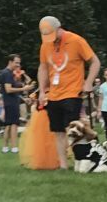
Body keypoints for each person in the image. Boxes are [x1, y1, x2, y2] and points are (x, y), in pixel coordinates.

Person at [36, 17, 100, 162]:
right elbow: (43, 67)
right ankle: (63, 165)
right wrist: (41, 91)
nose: (50, 40)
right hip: (53, 95)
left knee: (72, 129)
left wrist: (88, 82)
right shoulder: (45, 45)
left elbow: (95, 61)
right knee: (58, 131)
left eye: (52, 35)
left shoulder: (76, 40)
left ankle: (81, 160)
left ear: (59, 28)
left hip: (73, 92)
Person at [0, 55, 27, 153]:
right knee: (14, 125)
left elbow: (12, 91)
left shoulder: (8, 73)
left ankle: (5, 147)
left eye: (19, 63)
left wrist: (23, 99)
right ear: (10, 62)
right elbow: (8, 89)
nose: (18, 65)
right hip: (11, 103)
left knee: (9, 125)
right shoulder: (7, 73)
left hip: (10, 102)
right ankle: (14, 147)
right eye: (16, 62)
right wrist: (24, 89)